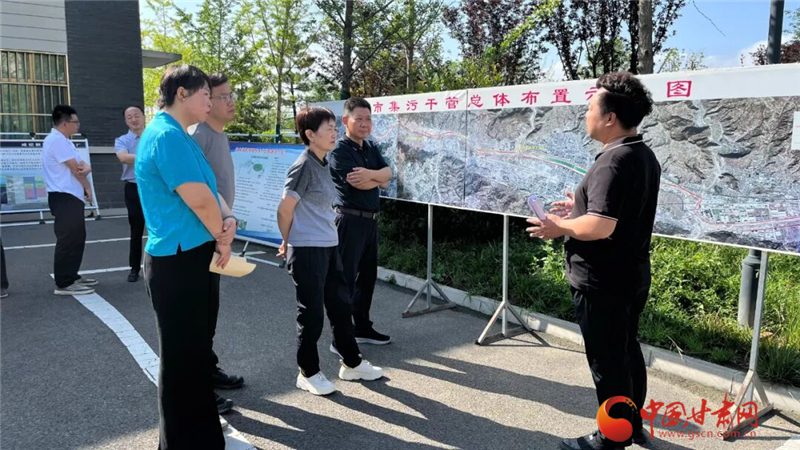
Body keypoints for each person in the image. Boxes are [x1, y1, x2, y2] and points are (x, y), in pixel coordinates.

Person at [526, 72, 660, 450]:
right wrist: (580, 206)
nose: (586, 115)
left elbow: (600, 226)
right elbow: (617, 212)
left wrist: (560, 226)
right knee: (626, 351)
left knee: (607, 362)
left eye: (590, 108)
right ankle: (631, 425)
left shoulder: (613, 162)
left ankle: (611, 438)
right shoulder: (642, 155)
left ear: (610, 117)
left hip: (603, 281)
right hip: (631, 275)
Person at [136, 64, 235, 448]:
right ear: (182, 94)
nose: (211, 102)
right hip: (178, 261)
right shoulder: (167, 136)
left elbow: (212, 192)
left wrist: (228, 219)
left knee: (194, 354)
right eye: (206, 94)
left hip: (192, 256)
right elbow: (199, 200)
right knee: (181, 359)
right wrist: (223, 237)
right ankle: (180, 442)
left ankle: (202, 437)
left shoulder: (180, 136)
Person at [277, 106, 384, 396]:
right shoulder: (303, 165)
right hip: (307, 248)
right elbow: (285, 209)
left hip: (329, 244)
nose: (334, 133)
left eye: (335, 128)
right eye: (328, 129)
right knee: (311, 314)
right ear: (310, 134)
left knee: (340, 306)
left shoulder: (323, 162)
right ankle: (308, 372)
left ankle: (352, 363)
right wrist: (286, 241)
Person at [191, 73, 244, 412]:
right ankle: (199, 387)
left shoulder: (218, 135)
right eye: (223, 96)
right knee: (199, 315)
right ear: (207, 101)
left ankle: (208, 370)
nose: (230, 101)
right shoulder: (198, 136)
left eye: (230, 95)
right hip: (203, 236)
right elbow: (194, 193)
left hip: (217, 235)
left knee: (209, 310)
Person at [328, 97, 393, 347]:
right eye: (359, 119)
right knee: (344, 280)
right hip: (349, 221)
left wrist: (372, 175)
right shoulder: (340, 151)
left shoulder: (370, 148)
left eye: (368, 119)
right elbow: (359, 183)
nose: (365, 124)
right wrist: (376, 178)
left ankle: (362, 327)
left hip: (370, 223)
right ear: (346, 120)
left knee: (367, 278)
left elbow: (387, 176)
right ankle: (341, 338)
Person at [42, 105, 97, 296]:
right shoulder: (56, 140)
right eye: (75, 122)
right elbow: (77, 169)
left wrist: (87, 170)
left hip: (71, 196)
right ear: (65, 123)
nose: (78, 125)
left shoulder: (65, 141)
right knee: (68, 239)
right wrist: (88, 188)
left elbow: (84, 166)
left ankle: (72, 275)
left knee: (77, 237)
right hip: (64, 196)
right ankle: (64, 282)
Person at [115, 106, 146, 282]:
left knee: (159, 229)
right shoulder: (122, 140)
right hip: (133, 188)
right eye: (129, 117)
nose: (134, 119)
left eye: (136, 115)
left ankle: (159, 267)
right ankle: (134, 268)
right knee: (136, 230)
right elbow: (123, 158)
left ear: (143, 117)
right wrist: (150, 156)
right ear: (126, 121)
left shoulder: (154, 136)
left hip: (154, 188)